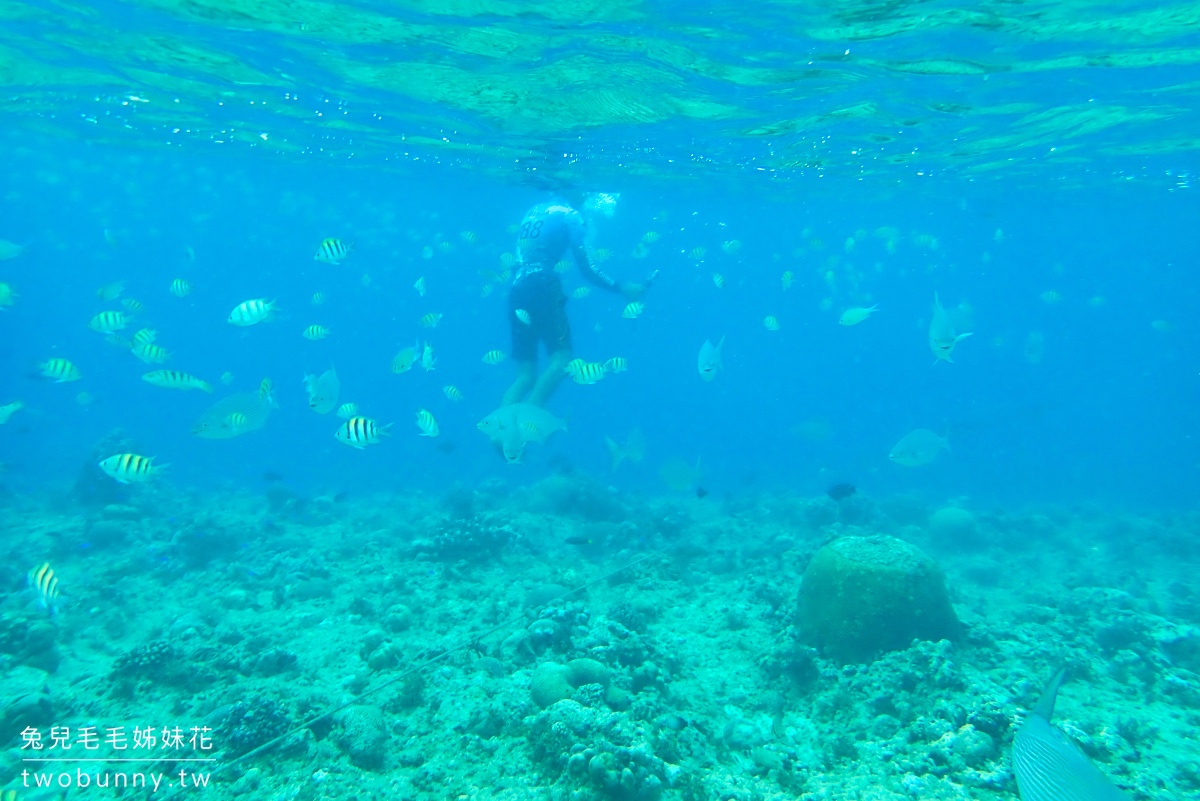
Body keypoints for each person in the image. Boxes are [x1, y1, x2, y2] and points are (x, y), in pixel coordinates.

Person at [503, 194, 650, 408]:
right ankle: (526, 425)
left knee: (525, 376)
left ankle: (501, 436)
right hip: (543, 285)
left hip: (517, 288)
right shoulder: (570, 215)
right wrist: (621, 288)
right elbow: (587, 267)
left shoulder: (534, 211)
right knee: (562, 361)